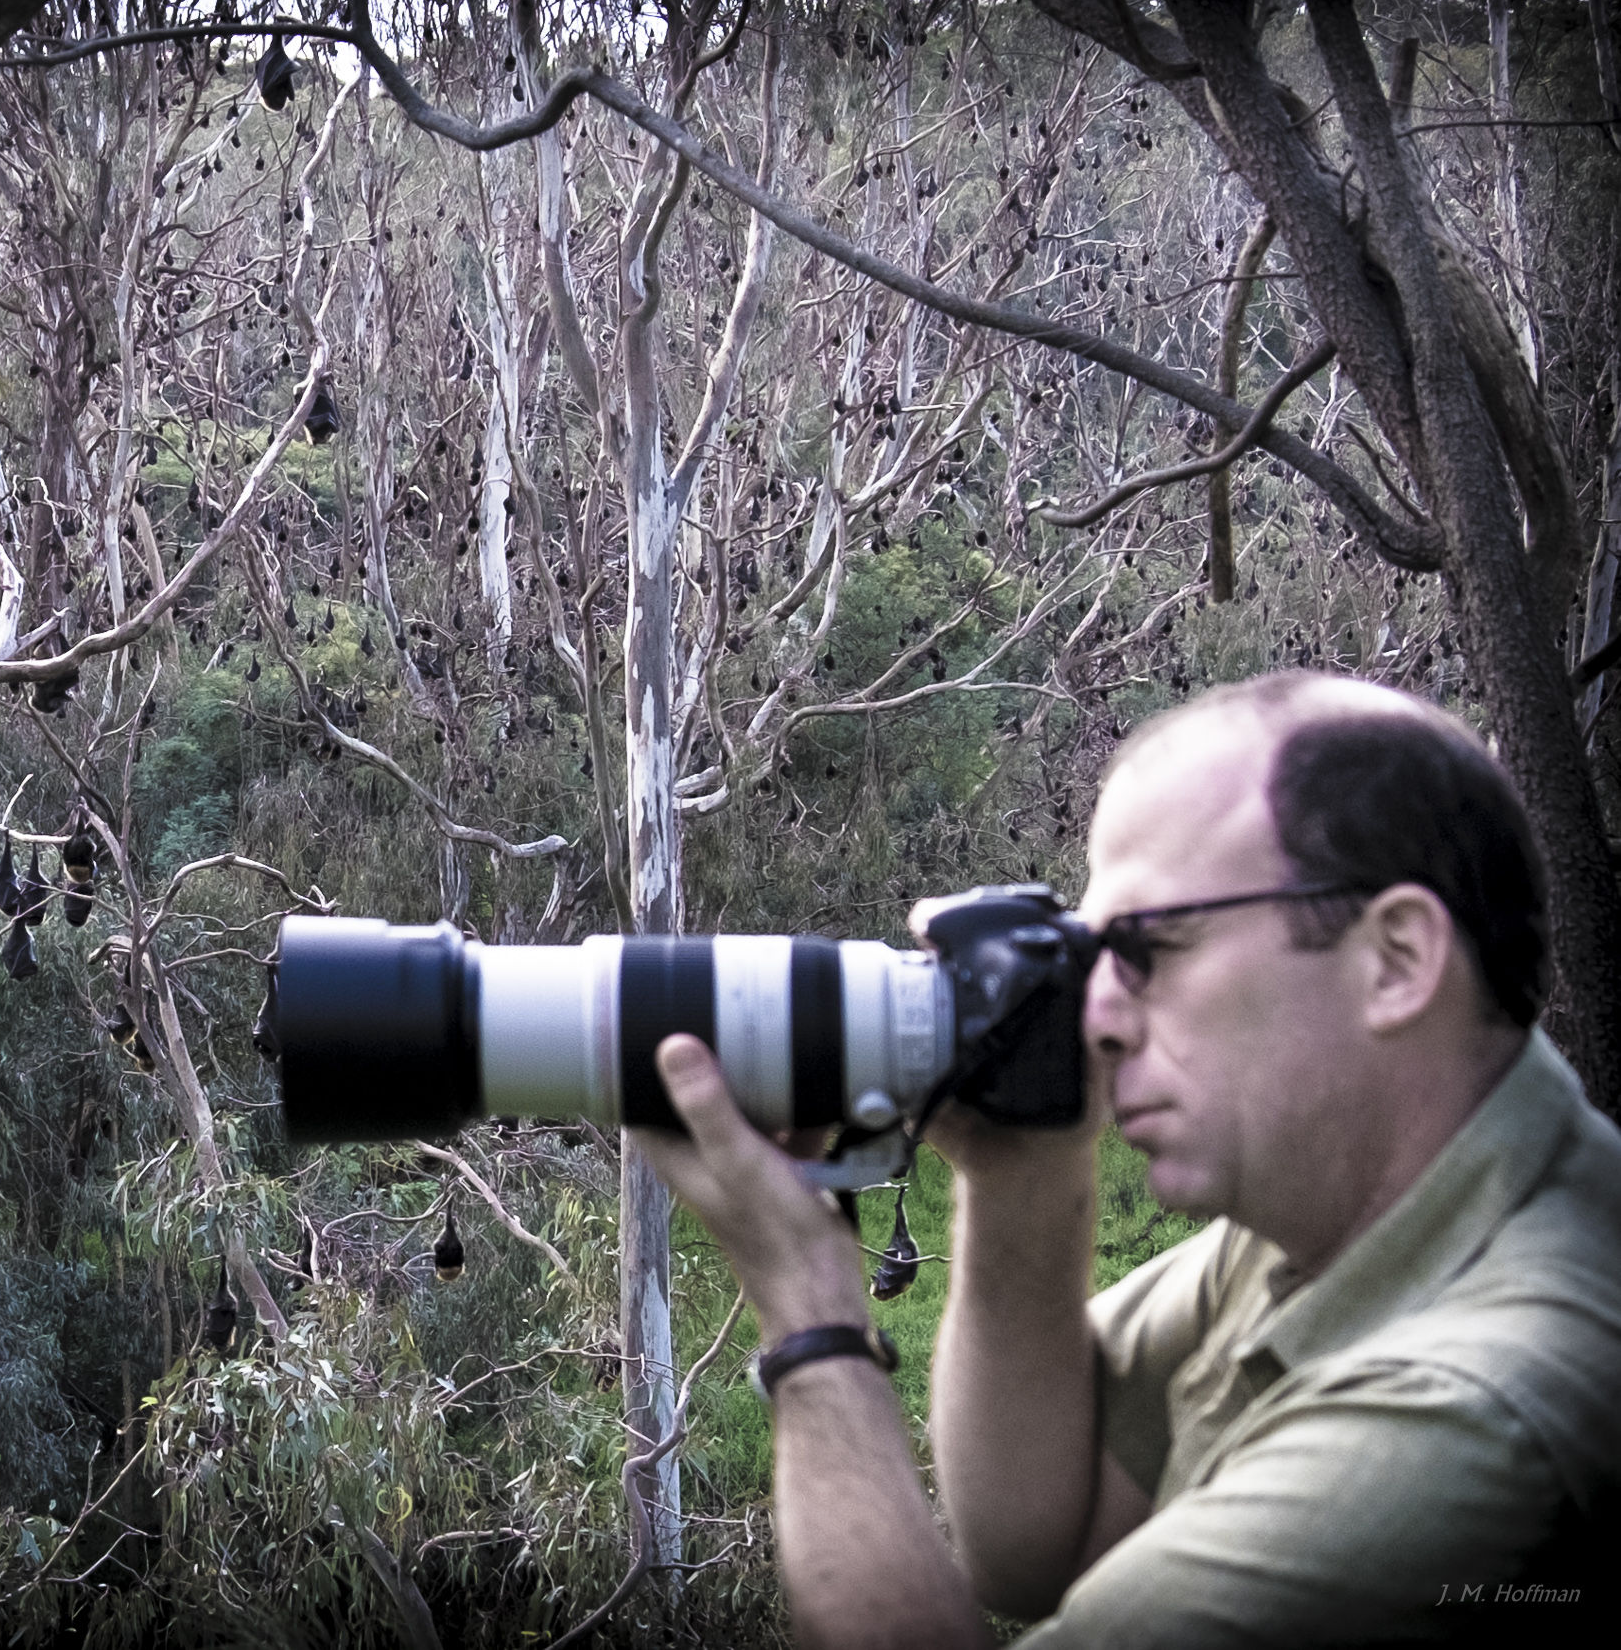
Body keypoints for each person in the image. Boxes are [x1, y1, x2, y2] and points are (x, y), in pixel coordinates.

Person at [636, 671, 1621, 1646]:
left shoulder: (1471, 1415)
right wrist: (1023, 1171)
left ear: (1396, 959)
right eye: (1088, 951)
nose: (1096, 1014)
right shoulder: (1361, 1212)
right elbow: (1032, 1538)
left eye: (1149, 945)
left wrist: (812, 1318)